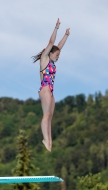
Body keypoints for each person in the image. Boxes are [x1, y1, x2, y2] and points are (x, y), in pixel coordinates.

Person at [32, 18, 70, 151]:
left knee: (50, 116)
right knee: (46, 115)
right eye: (57, 55)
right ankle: (45, 138)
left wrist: (66, 35)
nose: (59, 56)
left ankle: (49, 140)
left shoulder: (53, 62)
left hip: (51, 90)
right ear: (51, 53)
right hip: (44, 89)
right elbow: (52, 42)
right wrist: (57, 28)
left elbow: (59, 45)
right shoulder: (44, 59)